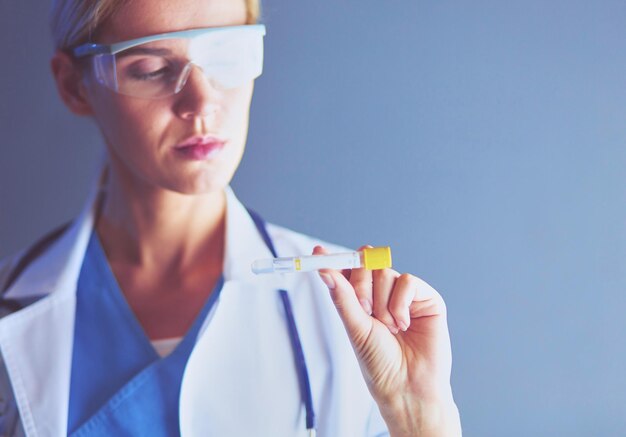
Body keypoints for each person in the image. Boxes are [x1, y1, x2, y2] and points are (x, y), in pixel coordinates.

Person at [0, 0, 462, 435]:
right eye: (151, 69)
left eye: (227, 54)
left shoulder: (352, 312)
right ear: (74, 85)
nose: (202, 103)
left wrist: (418, 416)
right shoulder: (11, 304)